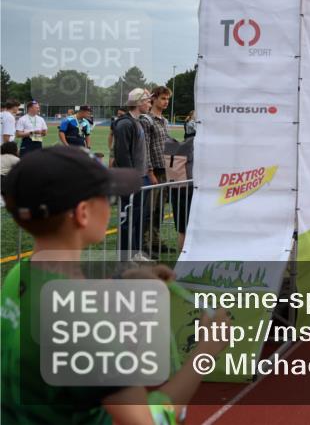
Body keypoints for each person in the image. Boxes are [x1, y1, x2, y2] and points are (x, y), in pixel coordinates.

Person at [0, 145, 230, 425]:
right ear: (82, 213)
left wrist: (123, 280)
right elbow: (146, 421)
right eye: (106, 196)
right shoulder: (88, 331)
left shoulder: (20, 275)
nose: (112, 204)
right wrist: (205, 351)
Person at [114, 89, 152, 259]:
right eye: (147, 101)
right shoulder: (125, 124)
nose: (149, 104)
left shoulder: (139, 122)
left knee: (138, 218)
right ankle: (125, 257)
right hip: (131, 179)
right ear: (139, 102)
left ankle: (135, 253)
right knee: (127, 219)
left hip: (141, 177)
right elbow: (122, 154)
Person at [140, 87, 171, 257]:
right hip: (153, 171)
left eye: (167, 99)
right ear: (154, 99)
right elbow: (145, 148)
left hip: (165, 169)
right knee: (149, 209)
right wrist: (150, 172)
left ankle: (156, 240)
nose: (166, 102)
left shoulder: (165, 121)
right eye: (163, 98)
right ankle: (146, 243)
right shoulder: (147, 121)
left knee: (160, 209)